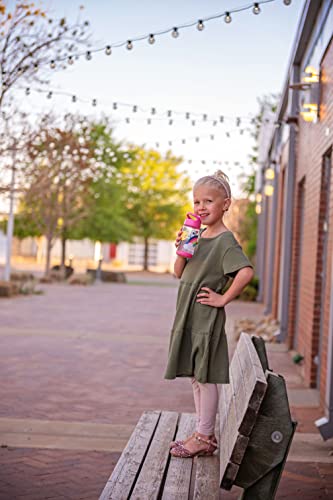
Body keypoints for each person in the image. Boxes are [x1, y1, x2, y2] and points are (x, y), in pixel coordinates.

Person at [164, 170, 254, 458]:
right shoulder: (198, 235)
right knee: (195, 375)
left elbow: (245, 272)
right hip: (188, 315)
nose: (201, 207)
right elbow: (178, 273)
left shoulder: (225, 241)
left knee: (205, 376)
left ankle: (205, 436)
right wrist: (182, 250)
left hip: (205, 317)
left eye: (208, 201)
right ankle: (203, 432)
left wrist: (223, 298)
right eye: (196, 202)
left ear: (225, 204)